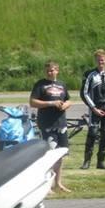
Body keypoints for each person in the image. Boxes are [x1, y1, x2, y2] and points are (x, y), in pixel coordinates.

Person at [30, 60, 72, 192]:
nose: (50, 72)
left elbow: (68, 99)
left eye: (53, 70)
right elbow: (32, 102)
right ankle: (46, 185)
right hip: (47, 124)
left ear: (57, 71)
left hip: (61, 123)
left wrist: (66, 104)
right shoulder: (40, 85)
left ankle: (58, 183)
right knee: (49, 155)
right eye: (48, 70)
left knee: (60, 154)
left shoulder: (62, 85)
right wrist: (51, 104)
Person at [80, 49, 105, 169]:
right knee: (92, 133)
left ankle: (101, 161)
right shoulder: (89, 75)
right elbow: (84, 93)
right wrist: (93, 108)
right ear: (95, 61)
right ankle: (86, 161)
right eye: (98, 60)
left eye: (102, 60)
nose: (100, 62)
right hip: (95, 109)